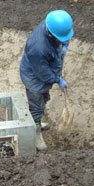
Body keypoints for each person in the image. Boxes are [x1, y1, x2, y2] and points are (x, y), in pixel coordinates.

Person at [19, 10, 74, 151]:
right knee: (36, 105)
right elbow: (43, 74)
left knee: (43, 100)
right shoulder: (38, 48)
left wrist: (63, 46)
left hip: (42, 68)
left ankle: (36, 122)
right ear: (52, 34)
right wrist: (57, 80)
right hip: (34, 78)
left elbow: (54, 47)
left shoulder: (50, 26)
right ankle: (35, 131)